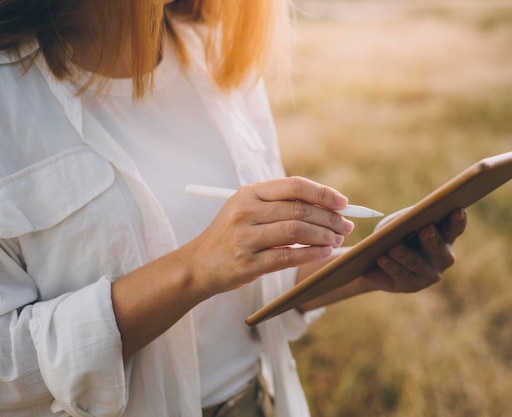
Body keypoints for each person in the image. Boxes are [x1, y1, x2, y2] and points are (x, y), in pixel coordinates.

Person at [0, 1, 468, 416]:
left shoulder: (216, 58)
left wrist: (363, 270)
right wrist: (194, 269)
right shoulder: (11, 98)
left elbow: (250, 291)